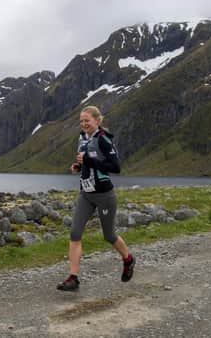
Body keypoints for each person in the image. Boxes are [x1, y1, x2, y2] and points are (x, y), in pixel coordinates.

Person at [57, 105, 135, 291]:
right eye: (81, 121)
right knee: (75, 234)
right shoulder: (82, 138)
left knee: (109, 235)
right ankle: (73, 278)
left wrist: (89, 162)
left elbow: (115, 167)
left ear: (97, 121)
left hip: (104, 195)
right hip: (86, 194)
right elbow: (84, 161)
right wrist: (77, 167)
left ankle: (128, 259)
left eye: (87, 120)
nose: (84, 124)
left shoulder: (104, 140)